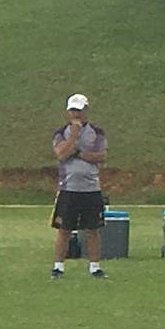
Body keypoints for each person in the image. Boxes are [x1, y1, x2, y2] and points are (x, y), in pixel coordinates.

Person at [50, 94, 109, 279]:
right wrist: (74, 135)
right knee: (64, 229)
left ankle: (94, 267)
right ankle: (58, 267)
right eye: (73, 110)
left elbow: (100, 156)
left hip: (91, 189)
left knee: (93, 229)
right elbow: (61, 154)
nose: (76, 114)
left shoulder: (97, 133)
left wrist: (77, 153)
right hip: (69, 188)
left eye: (80, 110)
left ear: (86, 111)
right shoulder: (61, 133)